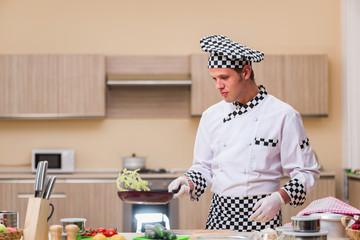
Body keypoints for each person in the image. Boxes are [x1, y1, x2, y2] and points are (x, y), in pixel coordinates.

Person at [168, 35, 320, 232]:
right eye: (214, 79)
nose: (218, 86)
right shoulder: (210, 116)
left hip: (261, 214)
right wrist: (188, 181)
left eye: (224, 77)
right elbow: (204, 167)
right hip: (219, 215)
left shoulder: (284, 115)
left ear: (245, 72)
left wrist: (279, 198)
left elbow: (307, 172)